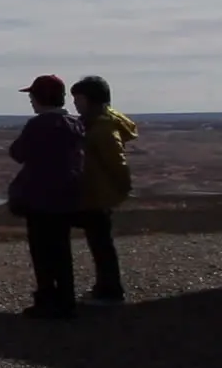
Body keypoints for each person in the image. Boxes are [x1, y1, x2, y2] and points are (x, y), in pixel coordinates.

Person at [8, 75, 85, 319]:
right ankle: (66, 300)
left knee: (41, 251)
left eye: (33, 96)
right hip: (66, 196)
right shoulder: (74, 124)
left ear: (40, 98)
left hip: (39, 198)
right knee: (61, 249)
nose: (31, 100)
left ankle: (47, 300)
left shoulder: (38, 125)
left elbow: (18, 153)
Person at [71, 75, 137, 304]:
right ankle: (105, 287)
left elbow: (116, 160)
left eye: (78, 99)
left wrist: (122, 185)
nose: (75, 104)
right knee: (99, 242)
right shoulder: (98, 122)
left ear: (91, 100)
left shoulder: (102, 126)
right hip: (95, 192)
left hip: (98, 194)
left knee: (101, 244)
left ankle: (110, 291)